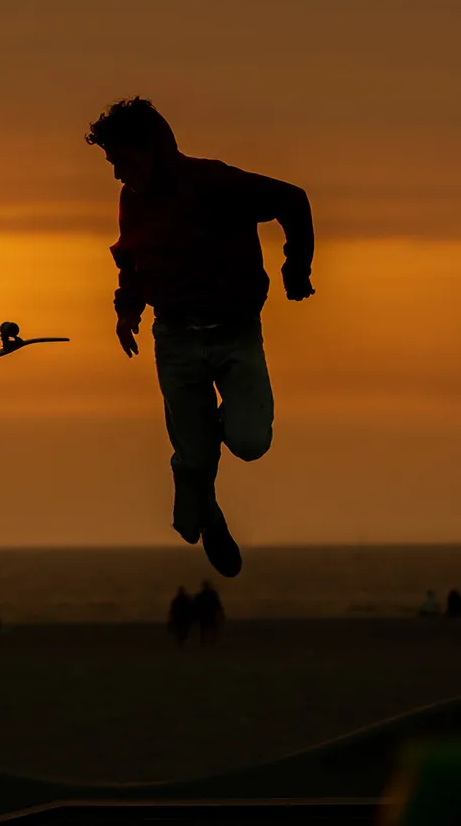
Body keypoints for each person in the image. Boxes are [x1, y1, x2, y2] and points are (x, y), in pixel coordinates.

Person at [87, 97, 315, 578]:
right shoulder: (133, 199)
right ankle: (207, 516)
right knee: (193, 456)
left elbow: (292, 199)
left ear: (151, 150)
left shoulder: (213, 183)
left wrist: (296, 265)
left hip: (235, 335)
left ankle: (201, 450)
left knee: (250, 442)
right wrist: (127, 311)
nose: (115, 175)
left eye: (120, 161)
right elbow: (131, 260)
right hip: (175, 340)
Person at [194, 580, 224, 645]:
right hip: (206, 615)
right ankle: (207, 642)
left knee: (209, 629)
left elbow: (217, 604)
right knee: (206, 629)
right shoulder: (205, 595)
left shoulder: (208, 595)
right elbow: (196, 606)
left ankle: (210, 641)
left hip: (208, 615)